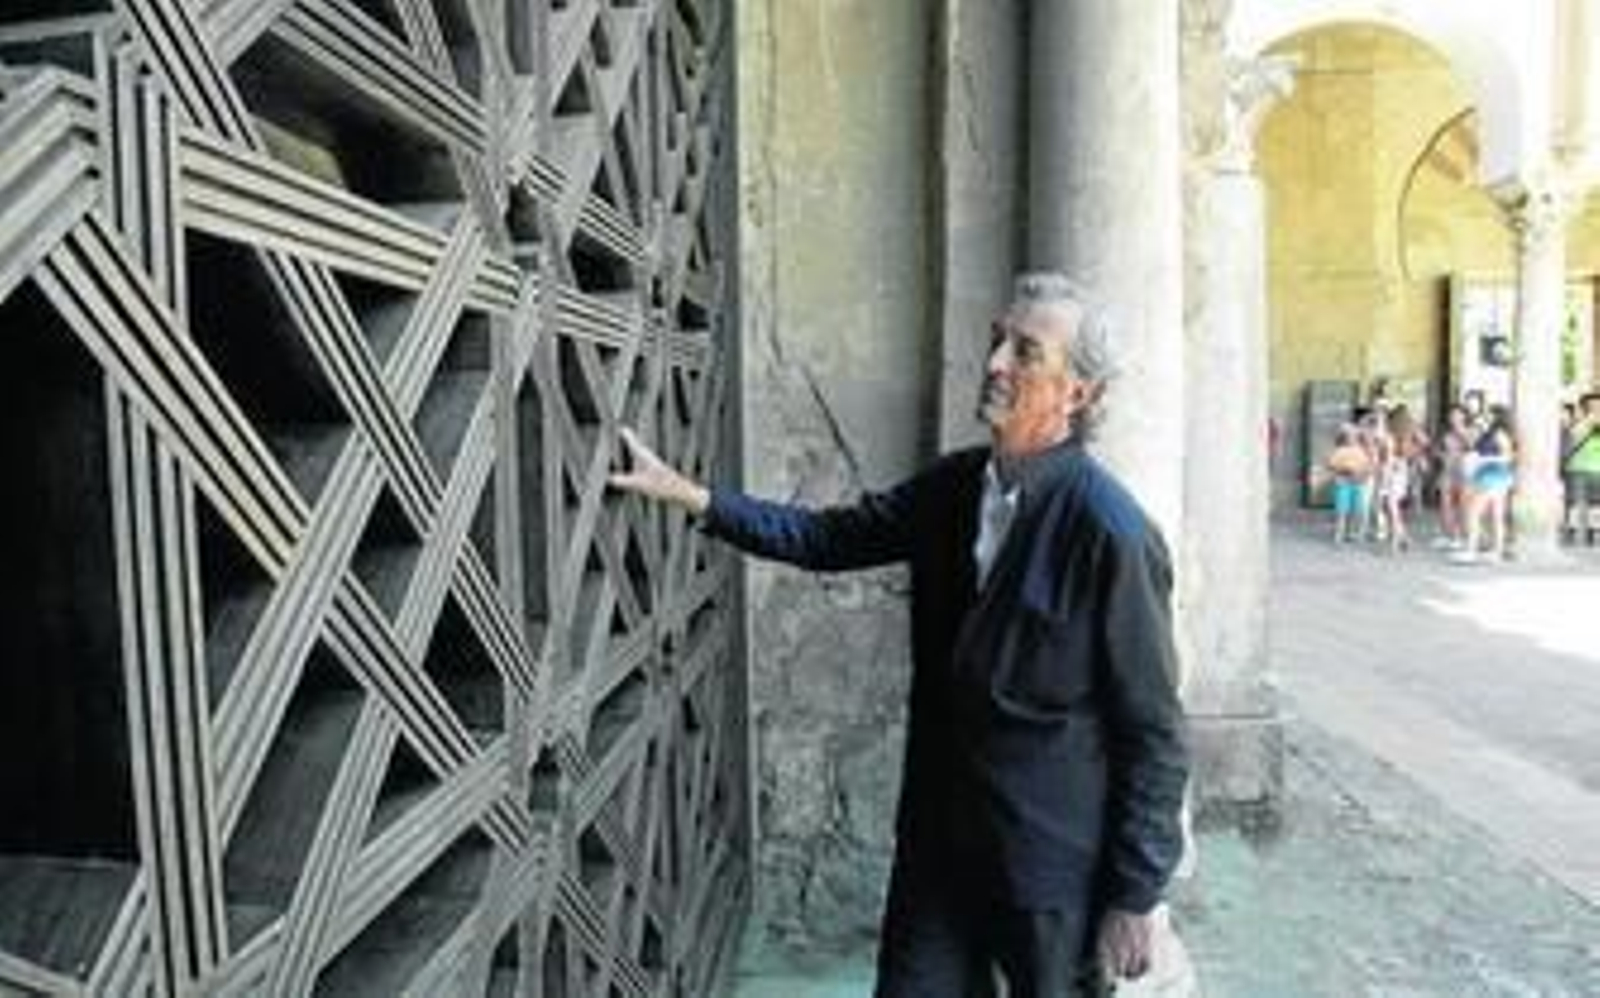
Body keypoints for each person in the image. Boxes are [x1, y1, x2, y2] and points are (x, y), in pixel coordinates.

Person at [609, 272, 1189, 996]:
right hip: (941, 846)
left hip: (1049, 868)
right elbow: (827, 537)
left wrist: (1136, 892)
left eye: (1025, 352)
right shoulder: (954, 488)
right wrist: (693, 496)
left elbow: (1155, 730)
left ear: (1079, 394)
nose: (996, 364)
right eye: (995, 341)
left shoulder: (1113, 534)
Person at [1452, 405, 1516, 564]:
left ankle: (1471, 549)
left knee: (1474, 511)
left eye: (1490, 414)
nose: (1486, 416)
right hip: (1493, 475)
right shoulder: (1489, 432)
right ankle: (1496, 551)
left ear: (1498, 417)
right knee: (1496, 515)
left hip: (1493, 475)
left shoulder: (1500, 434)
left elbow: (1507, 458)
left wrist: (1483, 459)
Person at [1325, 425, 1374, 545]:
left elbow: (1367, 466)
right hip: (1343, 484)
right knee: (1341, 510)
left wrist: (1364, 475)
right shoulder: (1340, 451)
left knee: (1355, 510)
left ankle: (1350, 532)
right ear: (1344, 438)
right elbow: (1330, 465)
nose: (1352, 438)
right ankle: (1339, 533)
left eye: (1353, 436)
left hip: (1357, 484)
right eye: (1349, 436)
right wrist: (1344, 469)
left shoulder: (1360, 450)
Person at [1564, 391, 1600, 546]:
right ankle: (1571, 533)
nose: (1595, 407)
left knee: (1596, 503)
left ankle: (1593, 533)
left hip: (1597, 468)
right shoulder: (1578, 422)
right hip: (1576, 467)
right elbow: (1572, 437)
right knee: (1573, 502)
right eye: (1592, 405)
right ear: (1584, 406)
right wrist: (1587, 423)